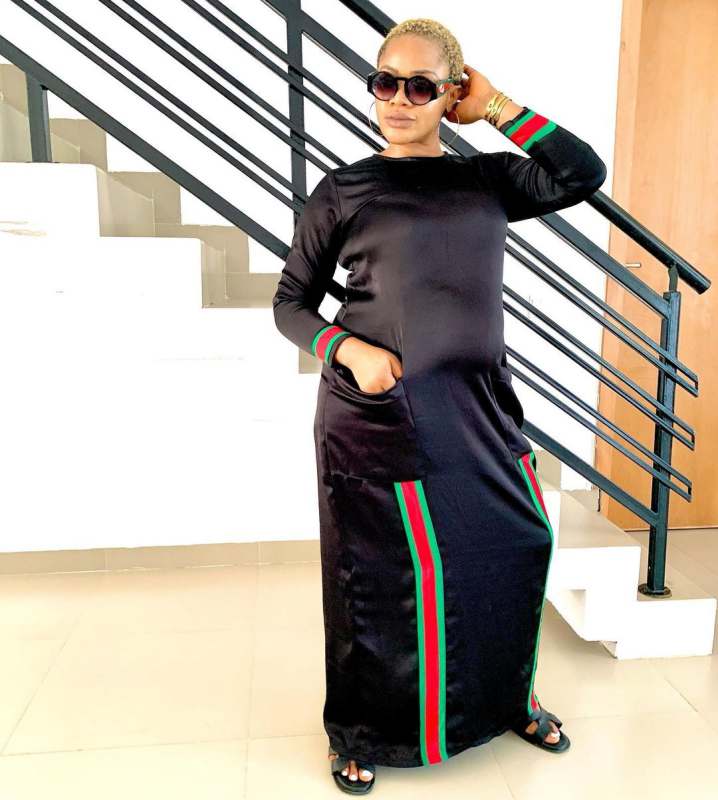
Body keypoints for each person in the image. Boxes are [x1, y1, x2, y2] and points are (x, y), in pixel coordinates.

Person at [273, 16, 606, 795]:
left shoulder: (485, 180)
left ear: (451, 93)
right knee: (373, 582)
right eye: (385, 81)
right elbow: (291, 304)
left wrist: (497, 108)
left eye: (420, 86)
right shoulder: (345, 189)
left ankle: (508, 701)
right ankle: (358, 732)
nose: (397, 98)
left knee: (515, 548)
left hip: (477, 408)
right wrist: (347, 349)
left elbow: (580, 173)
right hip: (375, 417)